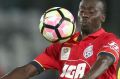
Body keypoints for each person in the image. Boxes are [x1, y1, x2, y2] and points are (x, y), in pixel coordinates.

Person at [1, 0, 120, 79]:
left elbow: (104, 61)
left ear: (103, 17)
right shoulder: (61, 46)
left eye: (91, 12)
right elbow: (27, 70)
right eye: (82, 11)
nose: (85, 14)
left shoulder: (109, 40)